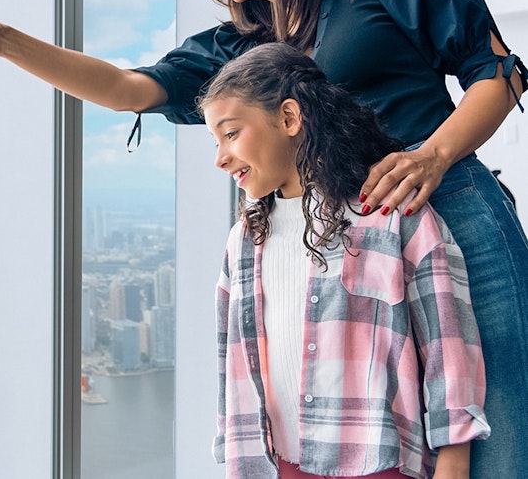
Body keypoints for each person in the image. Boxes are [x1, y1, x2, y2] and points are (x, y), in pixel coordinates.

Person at [0, 0, 528, 476]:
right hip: (352, 257)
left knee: (498, 447)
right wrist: (8, 43)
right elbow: (126, 88)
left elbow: (497, 72)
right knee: (406, 450)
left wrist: (432, 156)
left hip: (453, 215)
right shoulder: (242, 50)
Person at [200, 43, 489, 479]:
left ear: (289, 117)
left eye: (231, 133)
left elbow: (449, 349)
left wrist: (453, 463)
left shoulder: (389, 215)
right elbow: (231, 360)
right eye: (215, 140)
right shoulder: (243, 240)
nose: (220, 157)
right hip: (278, 465)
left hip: (380, 464)